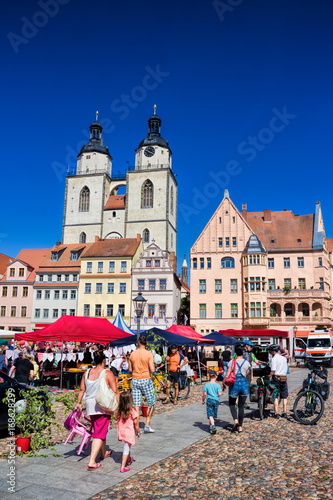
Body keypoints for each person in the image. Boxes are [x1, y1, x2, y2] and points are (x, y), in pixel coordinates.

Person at [76, 350, 119, 470]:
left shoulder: (87, 372)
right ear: (104, 360)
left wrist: (79, 402)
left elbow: (81, 390)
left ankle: (103, 452)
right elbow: (115, 391)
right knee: (99, 433)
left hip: (90, 405)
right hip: (102, 405)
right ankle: (92, 461)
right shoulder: (107, 373)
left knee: (99, 429)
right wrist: (118, 406)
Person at [129, 336, 156, 433]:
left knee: (136, 404)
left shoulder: (132, 354)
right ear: (146, 343)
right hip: (145, 379)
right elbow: (152, 370)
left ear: (138, 342)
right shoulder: (148, 354)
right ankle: (147, 424)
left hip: (135, 379)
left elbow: (130, 369)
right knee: (151, 402)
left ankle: (136, 426)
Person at [225, 344, 251, 433]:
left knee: (232, 404)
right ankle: (240, 427)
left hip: (234, 384)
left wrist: (224, 382)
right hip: (244, 384)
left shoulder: (232, 362)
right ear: (243, 352)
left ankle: (236, 421)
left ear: (235, 352)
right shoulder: (246, 362)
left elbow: (228, 373)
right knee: (241, 406)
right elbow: (247, 372)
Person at [116, 391, 140, 472]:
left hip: (122, 431)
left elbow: (116, 418)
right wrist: (138, 431)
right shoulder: (132, 411)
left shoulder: (120, 411)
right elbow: (136, 423)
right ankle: (123, 466)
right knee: (126, 448)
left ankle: (128, 459)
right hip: (129, 432)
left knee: (127, 445)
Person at [268, 344, 288, 418]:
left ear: (273, 352)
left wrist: (269, 376)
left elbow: (273, 370)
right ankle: (285, 412)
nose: (270, 353)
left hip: (276, 378)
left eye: (270, 352)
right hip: (284, 378)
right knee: (284, 396)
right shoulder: (284, 358)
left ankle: (276, 413)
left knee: (275, 395)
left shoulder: (274, 359)